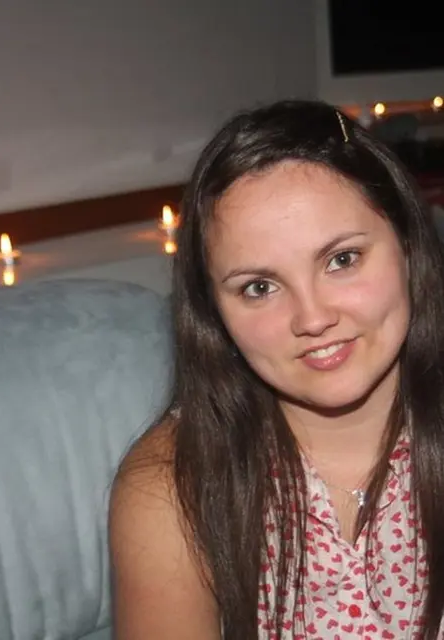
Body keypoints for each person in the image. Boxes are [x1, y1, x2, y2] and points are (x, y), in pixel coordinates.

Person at [108, 99, 444, 639]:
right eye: (260, 287)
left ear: (407, 243)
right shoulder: (172, 490)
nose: (313, 318)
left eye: (342, 259)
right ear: (214, 312)